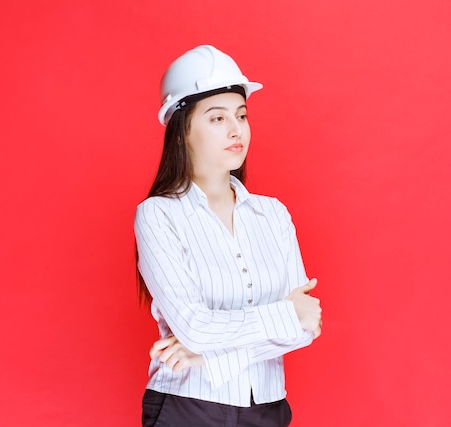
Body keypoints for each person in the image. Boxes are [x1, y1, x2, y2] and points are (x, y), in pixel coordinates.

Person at [134, 45, 322, 427]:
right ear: (182, 130)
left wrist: (208, 355)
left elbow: (306, 330)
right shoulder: (158, 215)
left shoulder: (273, 214)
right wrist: (285, 314)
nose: (236, 129)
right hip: (188, 408)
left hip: (269, 408)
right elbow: (195, 327)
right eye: (217, 118)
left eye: (241, 115)